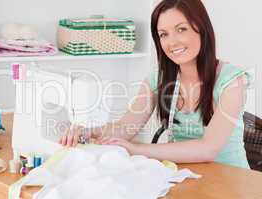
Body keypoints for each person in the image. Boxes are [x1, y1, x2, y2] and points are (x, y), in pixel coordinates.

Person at [59, 0, 251, 169]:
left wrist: (137, 149)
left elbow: (208, 149)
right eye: (163, 34)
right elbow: (126, 127)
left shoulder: (232, 80)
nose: (172, 42)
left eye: (181, 29)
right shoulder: (160, 78)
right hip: (188, 177)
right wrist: (88, 131)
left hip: (232, 181)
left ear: (201, 27)